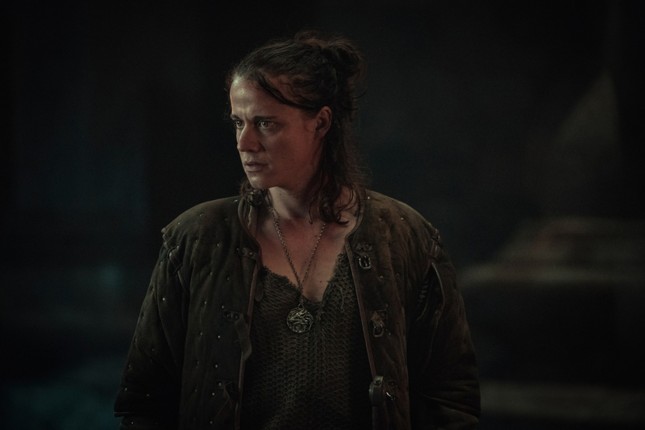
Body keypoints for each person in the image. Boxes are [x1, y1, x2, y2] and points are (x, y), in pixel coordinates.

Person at [114, 30, 480, 429]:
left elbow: (449, 398)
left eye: (265, 123)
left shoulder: (403, 236)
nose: (245, 143)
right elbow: (145, 402)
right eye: (238, 122)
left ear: (320, 123)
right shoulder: (197, 238)